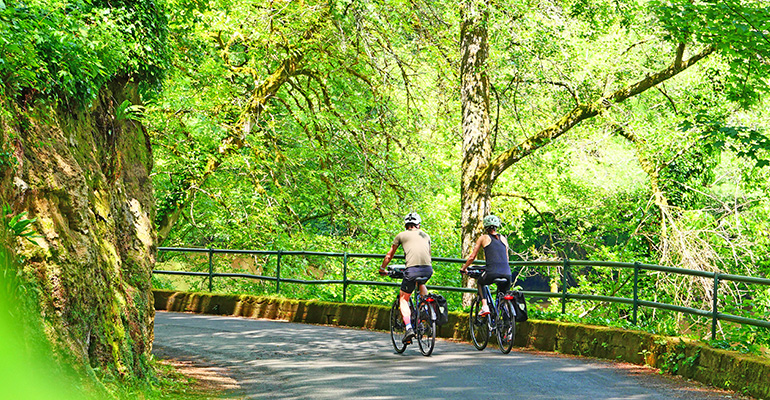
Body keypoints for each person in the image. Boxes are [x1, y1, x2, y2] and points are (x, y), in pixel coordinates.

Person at [379, 212, 433, 344]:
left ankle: (409, 328)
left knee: (403, 298)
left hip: (412, 270)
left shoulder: (401, 235)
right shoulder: (425, 235)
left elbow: (389, 255)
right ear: (418, 225)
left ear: (406, 225)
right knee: (420, 283)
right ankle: (424, 308)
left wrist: (382, 269)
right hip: (427, 270)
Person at [460, 215, 512, 316]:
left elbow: (472, 257)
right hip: (507, 273)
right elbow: (506, 258)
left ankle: (484, 307)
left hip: (492, 272)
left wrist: (464, 268)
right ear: (497, 226)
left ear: (485, 227)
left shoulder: (483, 238)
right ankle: (506, 323)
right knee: (503, 295)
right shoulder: (504, 239)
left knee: (480, 282)